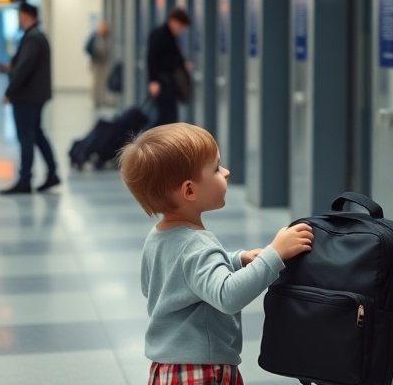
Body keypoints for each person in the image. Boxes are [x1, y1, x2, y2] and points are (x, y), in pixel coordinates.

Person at [118, 122, 314, 385]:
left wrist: (236, 260)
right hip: (202, 369)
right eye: (216, 169)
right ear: (189, 190)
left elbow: (168, 282)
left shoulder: (157, 236)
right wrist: (274, 254)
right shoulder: (196, 244)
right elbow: (228, 295)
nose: (227, 172)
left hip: (167, 367)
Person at [0, 3, 60, 195]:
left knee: (26, 136)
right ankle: (52, 173)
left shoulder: (33, 38)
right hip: (34, 95)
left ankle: (25, 180)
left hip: (27, 96)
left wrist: (9, 91)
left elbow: (25, 67)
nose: (18, 19)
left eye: (19, 15)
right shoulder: (36, 36)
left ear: (26, 15)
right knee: (36, 133)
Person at [146, 7, 191, 127]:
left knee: (169, 118)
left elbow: (172, 57)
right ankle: (150, 143)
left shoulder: (170, 36)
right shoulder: (159, 35)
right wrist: (153, 81)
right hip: (162, 83)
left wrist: (182, 65)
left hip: (169, 85)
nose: (180, 30)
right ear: (173, 21)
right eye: (180, 26)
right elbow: (152, 58)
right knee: (164, 119)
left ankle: (158, 143)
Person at [85, 20, 110, 107]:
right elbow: (86, 48)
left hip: (103, 62)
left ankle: (101, 99)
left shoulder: (106, 37)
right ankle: (95, 100)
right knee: (96, 82)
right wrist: (93, 55)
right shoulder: (94, 37)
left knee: (102, 82)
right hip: (95, 63)